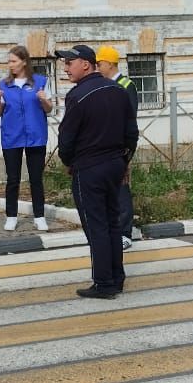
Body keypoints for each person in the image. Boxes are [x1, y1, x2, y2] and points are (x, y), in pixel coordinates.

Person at [54, 44, 138, 299]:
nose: (66, 68)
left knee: (96, 226)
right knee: (113, 222)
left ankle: (104, 283)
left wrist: (69, 161)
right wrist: (124, 160)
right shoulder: (118, 90)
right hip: (115, 164)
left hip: (89, 167)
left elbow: (66, 138)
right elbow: (131, 133)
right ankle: (117, 277)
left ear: (86, 65)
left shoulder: (78, 96)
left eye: (70, 63)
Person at [0, 45, 53, 232]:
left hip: (36, 136)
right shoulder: (4, 85)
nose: (10, 65)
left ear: (24, 62)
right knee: (13, 179)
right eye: (9, 61)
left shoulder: (40, 82)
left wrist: (44, 99)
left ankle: (39, 216)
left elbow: (49, 109)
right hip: (12, 137)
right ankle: (11, 216)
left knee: (36, 179)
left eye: (13, 61)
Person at [95, 45, 140, 250]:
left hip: (120, 146)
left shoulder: (125, 84)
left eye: (99, 63)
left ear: (110, 64)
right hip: (105, 145)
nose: (97, 67)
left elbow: (128, 117)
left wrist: (125, 149)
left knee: (121, 187)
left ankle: (125, 232)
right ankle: (113, 227)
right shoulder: (103, 84)